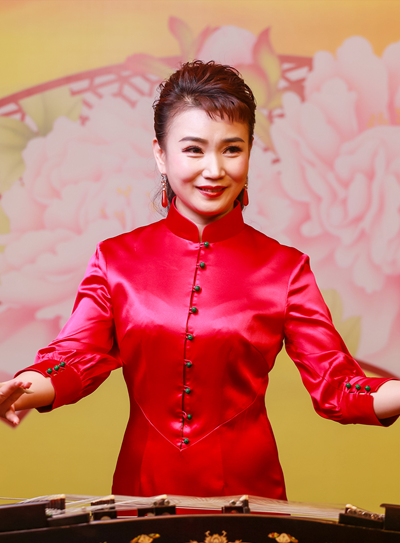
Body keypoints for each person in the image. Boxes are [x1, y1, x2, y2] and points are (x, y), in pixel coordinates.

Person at [1, 60, 399, 501]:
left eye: (232, 149)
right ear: (160, 154)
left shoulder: (286, 268)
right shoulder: (115, 260)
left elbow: (337, 386)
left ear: (250, 152)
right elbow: (75, 358)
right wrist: (20, 391)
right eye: (193, 150)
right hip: (141, 495)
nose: (214, 169)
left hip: (251, 501)